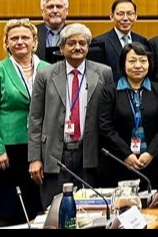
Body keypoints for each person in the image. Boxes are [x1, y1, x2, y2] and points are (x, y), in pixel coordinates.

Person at [28, 23, 113, 206]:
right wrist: (35, 158)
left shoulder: (104, 73)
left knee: (89, 211)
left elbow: (108, 116)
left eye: (82, 43)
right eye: (71, 42)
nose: (77, 47)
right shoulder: (45, 74)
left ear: (88, 47)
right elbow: (35, 118)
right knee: (55, 210)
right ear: (61, 47)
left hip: (89, 153)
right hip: (55, 155)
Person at [0, 18, 48, 225]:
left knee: (38, 210)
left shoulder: (49, 69)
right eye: (14, 38)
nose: (20, 41)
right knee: (7, 212)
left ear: (34, 42)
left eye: (25, 37)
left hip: (38, 149)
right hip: (7, 152)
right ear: (6, 43)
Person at [98, 43, 158, 188]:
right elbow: (105, 127)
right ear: (123, 64)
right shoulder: (110, 92)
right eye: (132, 61)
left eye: (143, 61)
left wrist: (150, 153)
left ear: (149, 64)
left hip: (152, 163)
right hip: (118, 164)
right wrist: (126, 155)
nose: (138, 65)